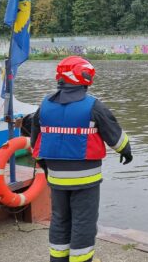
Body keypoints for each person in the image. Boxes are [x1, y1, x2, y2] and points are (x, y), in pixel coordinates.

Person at [30, 56, 133, 262]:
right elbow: (115, 137)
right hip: (86, 180)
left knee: (60, 219)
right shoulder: (93, 106)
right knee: (83, 222)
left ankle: (58, 259)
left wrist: (45, 165)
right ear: (84, 77)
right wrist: (126, 151)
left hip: (57, 178)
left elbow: (36, 141)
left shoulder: (45, 106)